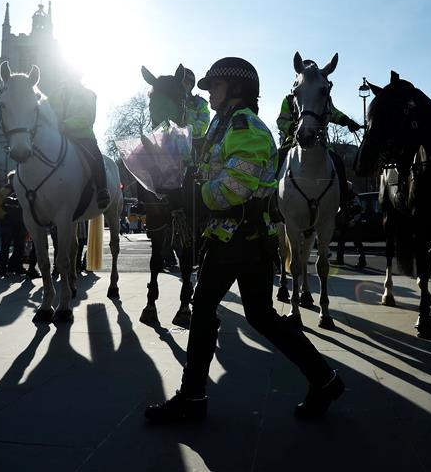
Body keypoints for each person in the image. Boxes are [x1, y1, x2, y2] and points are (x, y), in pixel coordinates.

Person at [144, 57, 343, 424]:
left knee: (205, 310)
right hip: (233, 237)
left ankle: (193, 398)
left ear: (235, 88)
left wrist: (190, 197)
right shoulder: (221, 125)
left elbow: (236, 187)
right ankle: (324, 378)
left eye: (215, 86)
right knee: (261, 318)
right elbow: (207, 168)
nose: (210, 92)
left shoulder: (246, 127)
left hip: (240, 238)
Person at [276, 76, 361, 211]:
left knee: (337, 162)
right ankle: (273, 202)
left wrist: (346, 120)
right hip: (292, 143)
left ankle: (345, 202)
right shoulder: (288, 100)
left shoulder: (323, 96)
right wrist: (293, 128)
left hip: (321, 143)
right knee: (277, 160)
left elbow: (333, 113)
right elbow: (281, 120)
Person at [53, 80, 110, 209]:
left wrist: (66, 125)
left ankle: (102, 189)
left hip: (83, 136)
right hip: (59, 137)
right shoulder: (56, 95)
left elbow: (88, 116)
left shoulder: (88, 94)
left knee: (95, 159)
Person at [0, 171, 26, 277]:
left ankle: (16, 266)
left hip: (20, 222)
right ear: (10, 180)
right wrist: (4, 215)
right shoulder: (3, 191)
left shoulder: (22, 191)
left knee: (20, 247)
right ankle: (2, 268)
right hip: (7, 222)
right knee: (5, 246)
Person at [181, 68, 212, 149]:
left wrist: (184, 130)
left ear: (191, 85)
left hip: (194, 144)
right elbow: (163, 123)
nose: (182, 85)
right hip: (171, 144)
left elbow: (203, 123)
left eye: (186, 82)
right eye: (180, 82)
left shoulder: (200, 103)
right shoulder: (171, 102)